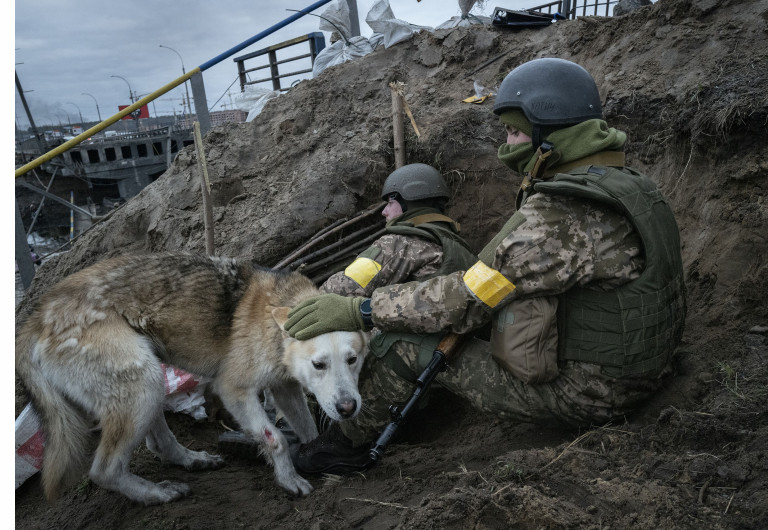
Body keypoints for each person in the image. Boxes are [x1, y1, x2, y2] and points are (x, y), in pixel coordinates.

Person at [285, 57, 687, 473]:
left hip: (595, 393)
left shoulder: (560, 216)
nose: (507, 146)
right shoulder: (630, 185)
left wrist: (361, 310)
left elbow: (470, 296)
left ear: (548, 132)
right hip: (647, 367)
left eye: (514, 131)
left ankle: (343, 447)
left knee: (403, 345)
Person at [218, 163, 477, 468]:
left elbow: (332, 296)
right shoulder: (462, 251)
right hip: (438, 368)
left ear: (410, 202)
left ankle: (289, 430)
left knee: (327, 349)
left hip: (395, 363)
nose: (384, 213)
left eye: (390, 203)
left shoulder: (397, 244)